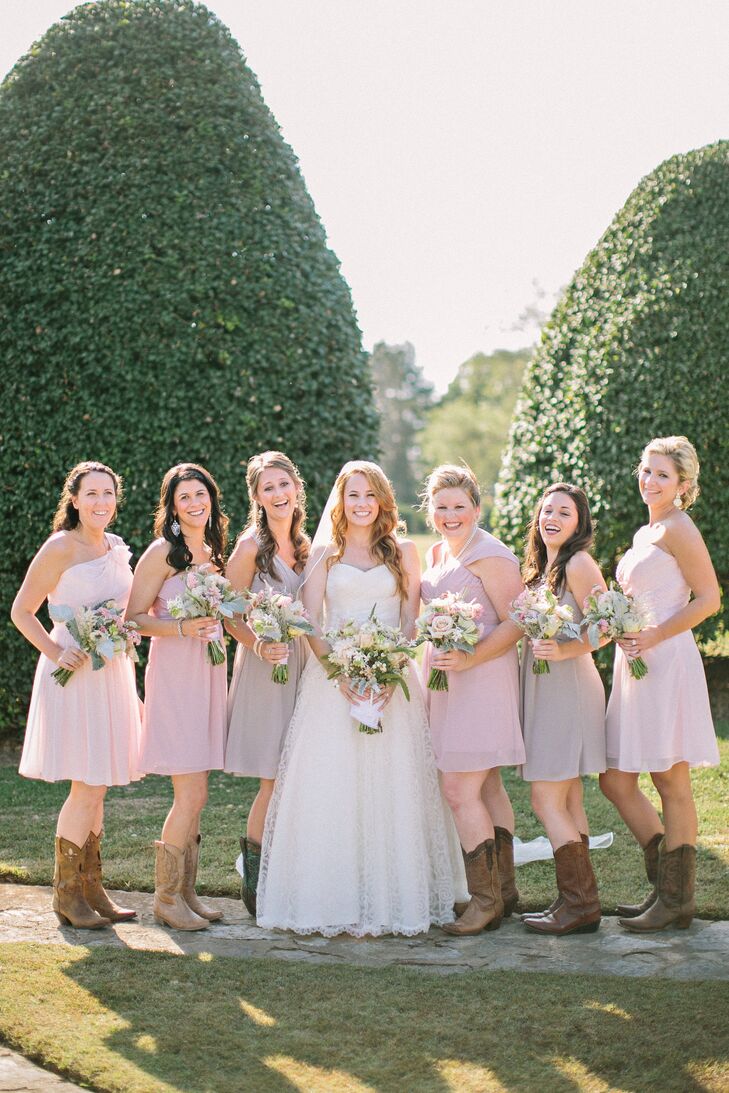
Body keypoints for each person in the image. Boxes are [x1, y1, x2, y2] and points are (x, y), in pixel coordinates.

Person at [256, 461, 466, 936]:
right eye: (354, 495)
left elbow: (412, 620)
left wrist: (390, 668)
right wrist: (340, 674)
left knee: (395, 787)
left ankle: (396, 896)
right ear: (341, 500)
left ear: (383, 501)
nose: (362, 504)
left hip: (394, 681)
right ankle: (333, 897)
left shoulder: (404, 551)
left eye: (371, 495)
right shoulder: (324, 555)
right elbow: (309, 620)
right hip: (332, 685)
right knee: (334, 789)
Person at [12, 461, 142, 928]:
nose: (101, 502)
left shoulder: (116, 548)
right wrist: (54, 649)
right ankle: (67, 896)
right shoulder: (59, 548)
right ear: (74, 499)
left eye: (108, 493)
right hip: (74, 670)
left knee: (99, 785)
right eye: (92, 494)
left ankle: (92, 889)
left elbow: (124, 609)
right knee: (86, 784)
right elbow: (22, 611)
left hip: (110, 672)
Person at [601, 437, 720, 932]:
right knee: (615, 779)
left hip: (666, 660)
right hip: (635, 663)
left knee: (671, 779)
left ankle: (675, 898)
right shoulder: (646, 531)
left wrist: (652, 634)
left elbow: (709, 599)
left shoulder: (680, 528)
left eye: (662, 475)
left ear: (683, 485)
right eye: (646, 471)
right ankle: (666, 883)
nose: (649, 481)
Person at [420, 464, 525, 935]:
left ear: (476, 510)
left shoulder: (491, 554)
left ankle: (484, 902)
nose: (450, 514)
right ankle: (503, 893)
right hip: (448, 685)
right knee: (485, 788)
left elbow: (517, 621)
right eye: (441, 507)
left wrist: (469, 659)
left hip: (481, 682)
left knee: (459, 790)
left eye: (459, 506)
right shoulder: (439, 552)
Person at [127, 463, 229, 931]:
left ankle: (186, 892)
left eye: (200, 495)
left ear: (211, 499)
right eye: (184, 497)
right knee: (190, 793)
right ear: (171, 506)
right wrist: (183, 626)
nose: (194, 504)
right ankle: (167, 900)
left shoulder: (211, 551)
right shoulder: (162, 553)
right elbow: (133, 619)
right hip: (175, 674)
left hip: (208, 671)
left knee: (199, 791)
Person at [517, 483, 606, 936]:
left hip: (568, 688)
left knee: (544, 797)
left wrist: (564, 649)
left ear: (579, 523)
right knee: (568, 798)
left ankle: (579, 903)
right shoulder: (541, 567)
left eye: (564, 512)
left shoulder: (578, 563)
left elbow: (606, 626)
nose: (552, 517)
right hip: (545, 688)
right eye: (547, 509)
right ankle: (579, 902)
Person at [224, 451, 310, 915]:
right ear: (257, 496)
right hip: (267, 667)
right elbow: (228, 610)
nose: (278, 494)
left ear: (296, 488)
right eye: (268, 488)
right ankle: (256, 885)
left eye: (284, 484)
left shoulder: (308, 544)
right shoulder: (249, 549)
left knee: (300, 775)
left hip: (304, 668)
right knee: (273, 780)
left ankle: (293, 874)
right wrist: (258, 644)